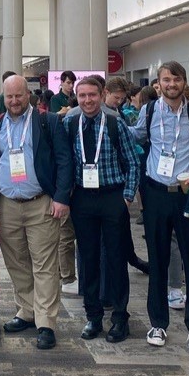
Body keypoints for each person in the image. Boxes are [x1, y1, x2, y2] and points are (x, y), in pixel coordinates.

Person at [131, 60, 189, 352]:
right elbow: (137, 138)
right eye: (166, 80)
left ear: (184, 82)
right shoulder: (149, 111)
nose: (171, 84)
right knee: (158, 260)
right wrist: (111, 120)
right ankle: (158, 323)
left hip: (188, 194)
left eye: (176, 79)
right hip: (156, 193)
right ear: (158, 83)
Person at [64, 78, 140, 343]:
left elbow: (132, 163)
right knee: (88, 258)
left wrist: (127, 198)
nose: (87, 100)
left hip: (112, 197)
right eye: (82, 96)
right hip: (83, 199)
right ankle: (93, 316)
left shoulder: (116, 123)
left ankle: (120, 317)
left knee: (116, 259)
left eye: (92, 95)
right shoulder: (70, 123)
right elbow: (66, 162)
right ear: (77, 97)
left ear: (102, 94)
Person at [0, 75, 71, 350]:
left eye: (19, 95)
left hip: (41, 202)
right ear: (3, 98)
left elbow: (65, 160)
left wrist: (62, 198)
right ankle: (26, 311)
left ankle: (46, 322)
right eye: (9, 97)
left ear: (28, 94)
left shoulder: (47, 121)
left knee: (44, 265)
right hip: (7, 204)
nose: (14, 101)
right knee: (16, 262)